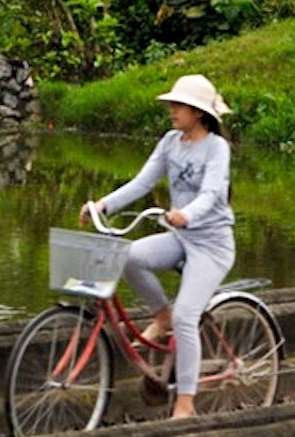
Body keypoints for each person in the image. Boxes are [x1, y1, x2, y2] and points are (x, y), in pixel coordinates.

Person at [80, 74, 235, 420]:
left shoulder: (216, 147)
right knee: (130, 257)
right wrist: (103, 205)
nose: (172, 110)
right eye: (172, 104)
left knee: (187, 316)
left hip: (211, 244)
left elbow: (212, 194)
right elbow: (143, 181)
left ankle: (185, 403)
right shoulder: (170, 142)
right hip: (180, 238)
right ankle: (160, 315)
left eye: (179, 105)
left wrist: (187, 214)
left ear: (198, 113)